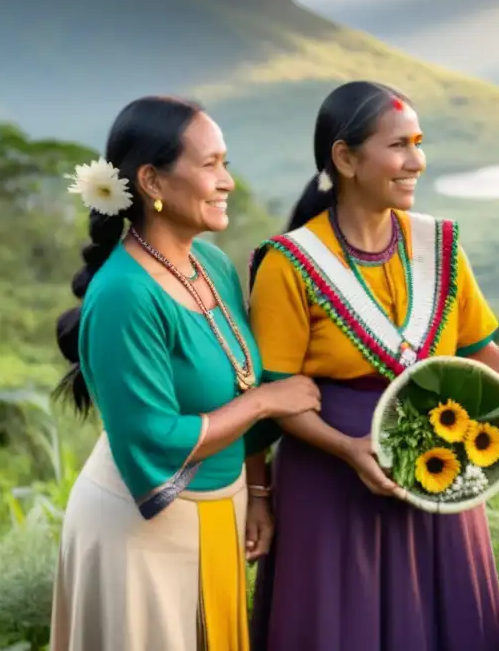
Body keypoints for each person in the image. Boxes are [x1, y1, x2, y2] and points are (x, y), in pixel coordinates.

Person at [245, 80, 499, 651]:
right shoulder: (289, 265)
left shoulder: (440, 246)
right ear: (345, 158)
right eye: (399, 145)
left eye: (419, 143)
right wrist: (346, 448)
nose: (416, 161)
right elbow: (275, 398)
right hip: (333, 485)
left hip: (438, 472)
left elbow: (480, 354)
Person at [48, 96, 321, 651]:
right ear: (152, 180)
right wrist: (268, 403)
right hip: (140, 532)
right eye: (211, 164)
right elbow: (154, 437)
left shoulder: (212, 264)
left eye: (226, 162)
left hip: (223, 512)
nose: (228, 182)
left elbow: (241, 377)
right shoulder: (125, 293)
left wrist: (259, 491)